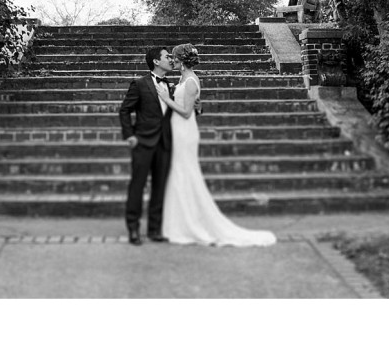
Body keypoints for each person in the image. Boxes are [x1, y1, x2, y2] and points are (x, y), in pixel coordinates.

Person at [157, 43, 277, 247]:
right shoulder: (184, 78)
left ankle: (189, 224)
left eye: (175, 58)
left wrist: (167, 99)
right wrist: (197, 106)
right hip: (177, 130)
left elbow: (186, 112)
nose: (172, 61)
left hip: (184, 132)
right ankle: (181, 221)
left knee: (184, 173)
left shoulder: (191, 81)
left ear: (182, 60)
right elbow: (195, 107)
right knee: (179, 174)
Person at [118, 46, 175, 245]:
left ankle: (154, 230)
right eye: (168, 56)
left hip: (164, 143)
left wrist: (197, 109)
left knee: (159, 188)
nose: (171, 59)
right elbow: (124, 110)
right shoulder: (140, 84)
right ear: (156, 61)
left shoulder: (171, 85)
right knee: (137, 185)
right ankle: (133, 229)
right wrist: (129, 135)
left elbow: (178, 112)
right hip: (143, 142)